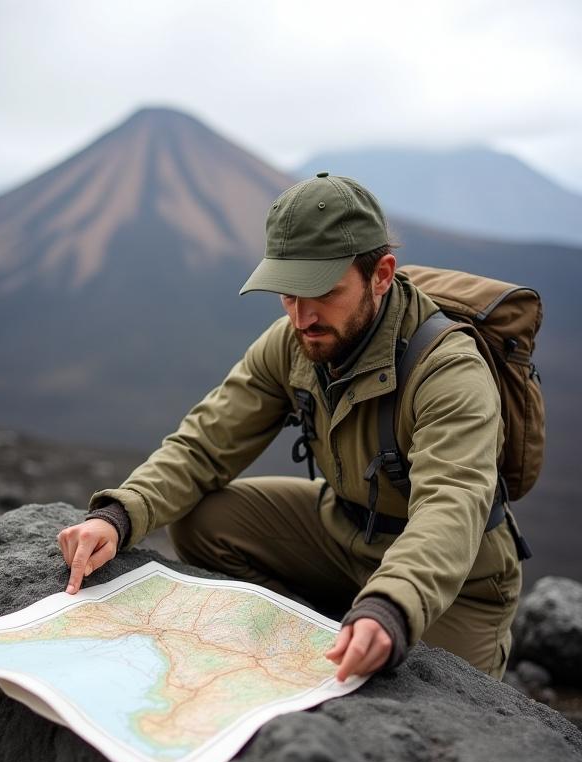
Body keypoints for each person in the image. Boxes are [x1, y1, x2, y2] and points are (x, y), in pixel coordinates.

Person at [57, 173, 521, 682]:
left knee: (437, 703)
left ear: (382, 274)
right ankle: (325, 619)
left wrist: (391, 606)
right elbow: (204, 444)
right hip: (344, 529)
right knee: (202, 520)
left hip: (456, 576)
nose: (303, 317)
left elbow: (449, 506)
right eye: (287, 294)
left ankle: (370, 612)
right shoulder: (293, 342)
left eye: (322, 291)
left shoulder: (448, 369)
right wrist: (119, 515)